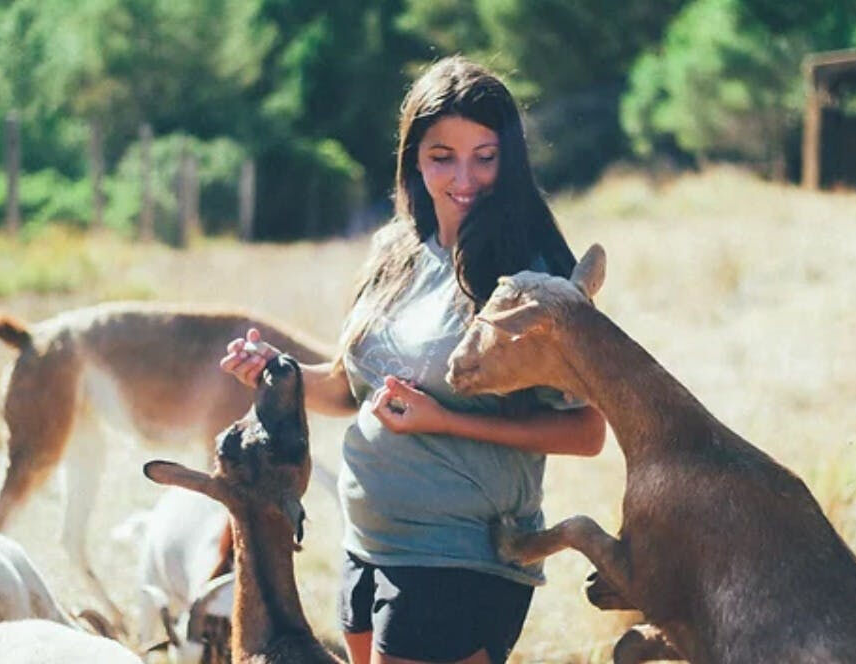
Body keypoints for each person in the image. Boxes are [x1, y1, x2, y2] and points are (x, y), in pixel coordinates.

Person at [220, 55, 606, 664]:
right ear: (412, 159)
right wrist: (279, 370)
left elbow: (587, 432)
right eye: (441, 156)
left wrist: (445, 419)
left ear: (511, 157)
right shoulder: (393, 252)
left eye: (485, 155)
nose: (465, 177)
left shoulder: (535, 276)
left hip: (461, 557)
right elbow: (350, 391)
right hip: (367, 545)